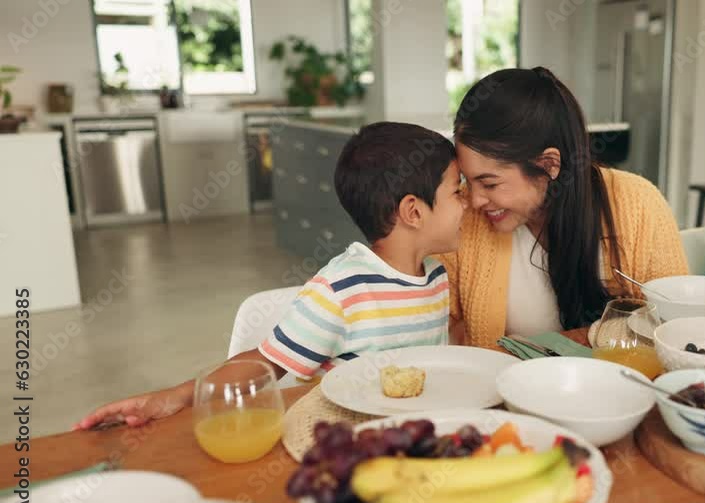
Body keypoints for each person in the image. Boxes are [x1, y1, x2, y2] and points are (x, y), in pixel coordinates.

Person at [73, 122, 466, 430]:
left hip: (419, 430)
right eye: (458, 192)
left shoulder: (435, 276)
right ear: (413, 212)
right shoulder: (342, 291)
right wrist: (175, 396)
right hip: (352, 438)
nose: (471, 203)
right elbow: (265, 363)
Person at [437, 66, 688, 349]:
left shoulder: (638, 205)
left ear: (549, 165)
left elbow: (677, 328)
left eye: (490, 184)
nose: (474, 200)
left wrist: (566, 342)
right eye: (467, 182)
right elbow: (434, 324)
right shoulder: (464, 218)